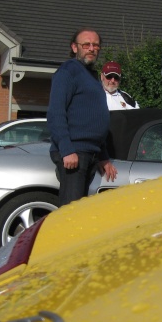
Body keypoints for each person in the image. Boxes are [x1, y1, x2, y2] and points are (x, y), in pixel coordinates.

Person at [47, 29, 118, 205]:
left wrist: (103, 156)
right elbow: (56, 113)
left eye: (95, 45)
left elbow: (94, 121)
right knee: (70, 212)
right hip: (75, 153)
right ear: (74, 47)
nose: (91, 49)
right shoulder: (68, 71)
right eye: (86, 45)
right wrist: (67, 150)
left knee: (80, 211)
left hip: (90, 153)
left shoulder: (92, 77)